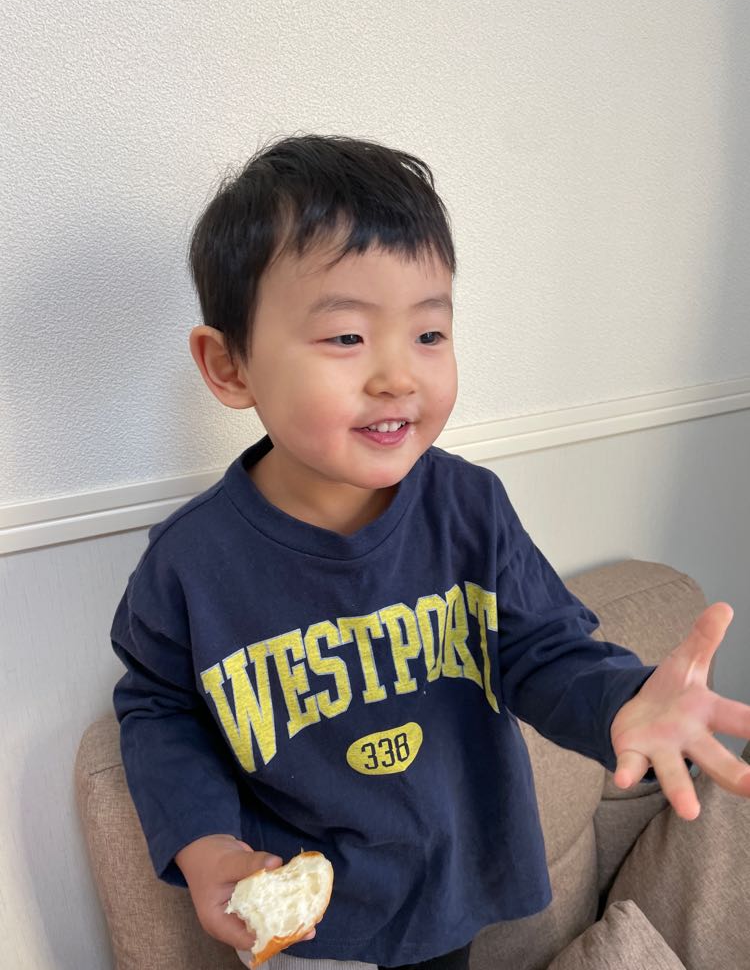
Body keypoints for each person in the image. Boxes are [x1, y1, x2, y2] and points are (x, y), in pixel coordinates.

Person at [111, 133, 750, 970]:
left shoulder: (470, 509)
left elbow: (542, 649)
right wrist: (205, 846)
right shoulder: (190, 565)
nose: (398, 377)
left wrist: (622, 700)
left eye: (429, 333)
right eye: (347, 337)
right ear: (229, 366)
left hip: (450, 884)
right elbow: (160, 711)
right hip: (309, 918)